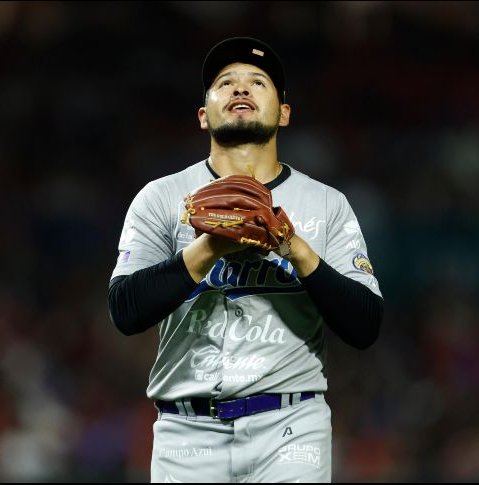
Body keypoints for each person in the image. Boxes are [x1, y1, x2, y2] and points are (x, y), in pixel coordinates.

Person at [108, 37, 384, 483]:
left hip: (290, 428)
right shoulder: (160, 198)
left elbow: (365, 324)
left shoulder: (326, 204)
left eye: (258, 82)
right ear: (203, 115)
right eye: (225, 83)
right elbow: (125, 310)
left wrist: (292, 246)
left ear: (284, 113)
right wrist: (210, 246)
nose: (241, 89)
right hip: (186, 432)